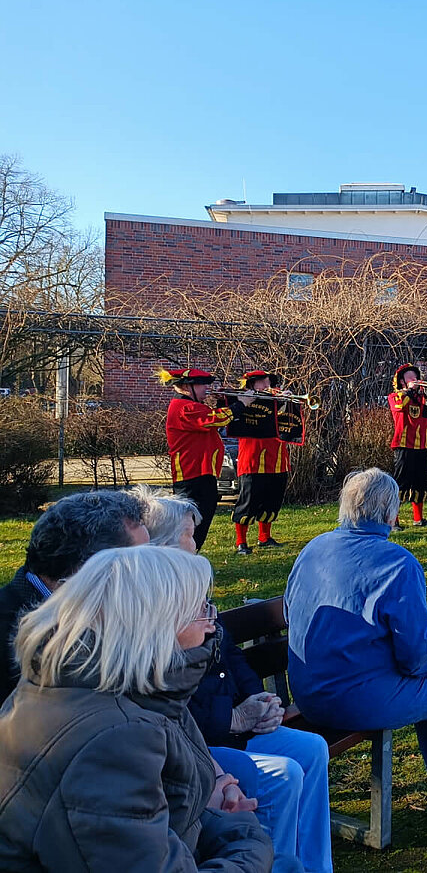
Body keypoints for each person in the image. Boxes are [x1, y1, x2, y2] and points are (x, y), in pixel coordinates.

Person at [0, 545, 273, 871]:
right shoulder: (115, 738)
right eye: (202, 611)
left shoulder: (59, 690)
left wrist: (222, 819)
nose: (212, 626)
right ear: (154, 626)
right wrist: (248, 835)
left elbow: (151, 825)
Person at [285, 468, 427, 848]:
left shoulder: (313, 548)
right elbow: (416, 657)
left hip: (309, 693)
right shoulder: (397, 563)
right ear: (393, 514)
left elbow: (295, 615)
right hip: (359, 700)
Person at [134, 486, 333, 873]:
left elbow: (232, 654)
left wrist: (260, 703)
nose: (197, 543)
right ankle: (272, 862)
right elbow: (176, 705)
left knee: (312, 750)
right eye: (190, 535)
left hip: (236, 726)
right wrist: (235, 717)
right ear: (159, 546)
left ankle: (312, 865)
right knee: (285, 772)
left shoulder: (194, 589)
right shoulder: (152, 612)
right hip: (204, 743)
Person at [0, 489, 149, 703]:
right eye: (142, 561)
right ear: (90, 568)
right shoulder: (10, 637)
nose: (151, 573)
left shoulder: (102, 613)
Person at [160, 367, 252, 551]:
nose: (206, 389)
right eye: (202, 385)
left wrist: (222, 404)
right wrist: (241, 404)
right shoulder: (184, 407)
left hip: (202, 473)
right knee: (191, 524)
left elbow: (210, 422)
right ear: (187, 386)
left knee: (200, 519)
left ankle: (188, 556)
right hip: (192, 475)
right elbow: (214, 419)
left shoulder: (194, 407)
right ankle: (183, 557)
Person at [231, 370, 292, 555]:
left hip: (277, 458)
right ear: (250, 385)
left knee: (272, 498)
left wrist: (285, 401)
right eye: (261, 383)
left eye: (267, 382)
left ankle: (264, 537)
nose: (266, 386)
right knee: (248, 501)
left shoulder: (276, 400)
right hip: (253, 459)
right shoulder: (242, 401)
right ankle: (241, 541)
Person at [388, 363, 427, 527]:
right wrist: (410, 390)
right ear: (402, 382)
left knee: (421, 483)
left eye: (416, 377)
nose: (415, 380)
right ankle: (393, 520)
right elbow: (400, 406)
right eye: (410, 378)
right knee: (400, 484)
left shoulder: (423, 398)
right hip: (404, 445)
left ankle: (418, 518)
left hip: (423, 445)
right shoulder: (395, 396)